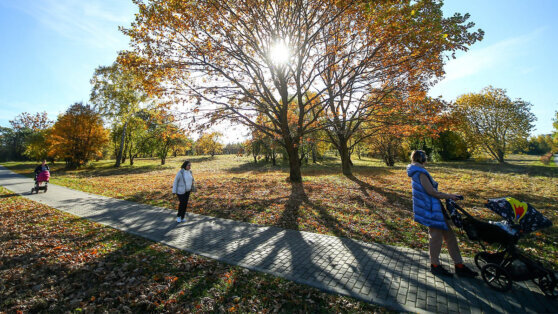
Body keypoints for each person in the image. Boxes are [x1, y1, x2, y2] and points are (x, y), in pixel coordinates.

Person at [407, 150, 477, 278]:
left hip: (434, 208)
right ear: (422, 158)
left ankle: (459, 265)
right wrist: (449, 196)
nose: (426, 160)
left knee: (450, 237)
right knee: (436, 238)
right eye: (425, 157)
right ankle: (435, 265)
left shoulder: (417, 171)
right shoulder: (420, 173)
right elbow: (431, 192)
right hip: (430, 210)